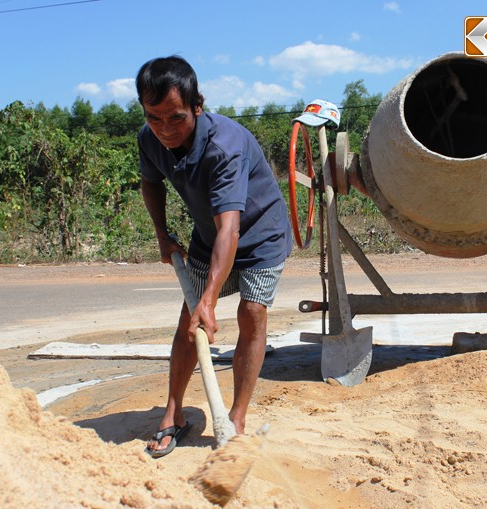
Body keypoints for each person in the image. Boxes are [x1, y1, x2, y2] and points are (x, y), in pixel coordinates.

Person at [135, 55, 292, 458]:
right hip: (210, 236)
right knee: (189, 324)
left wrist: (209, 300)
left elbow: (232, 229)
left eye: (176, 118)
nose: (166, 129)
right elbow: (150, 182)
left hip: (261, 234)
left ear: (197, 106)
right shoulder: (150, 138)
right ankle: (174, 414)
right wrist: (162, 235)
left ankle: (234, 420)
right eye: (155, 118)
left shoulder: (225, 146)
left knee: (252, 314)